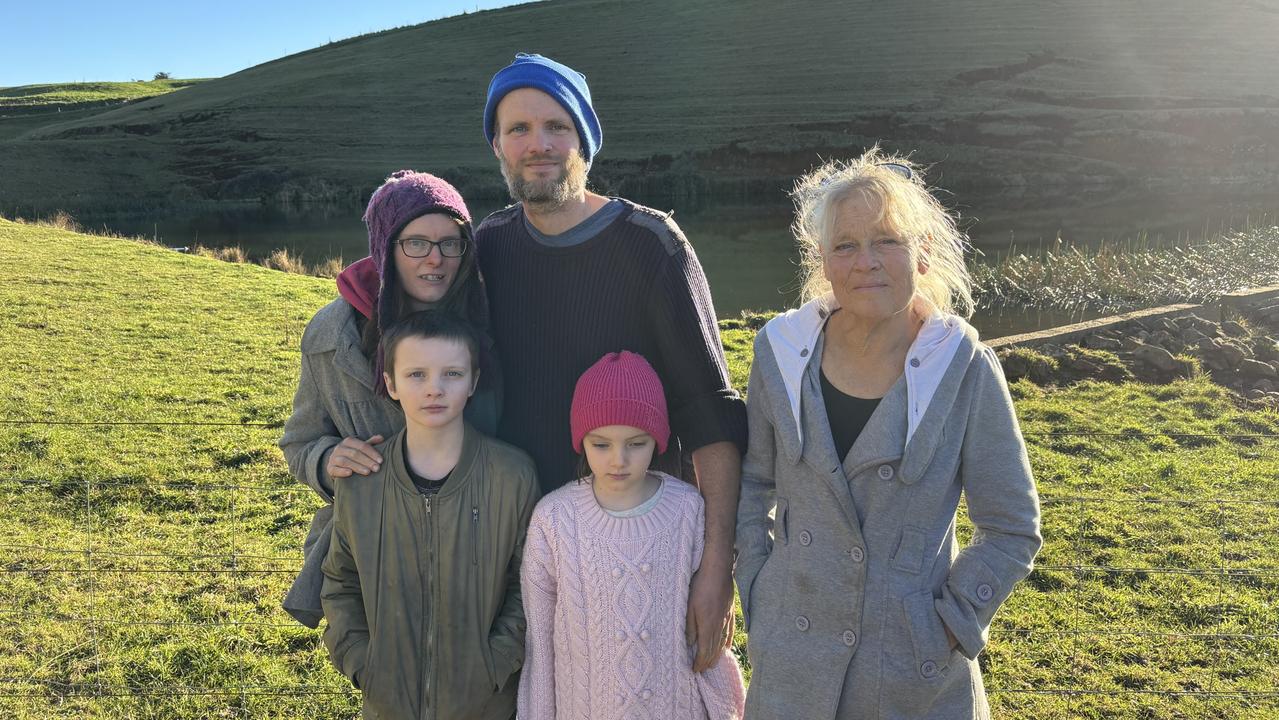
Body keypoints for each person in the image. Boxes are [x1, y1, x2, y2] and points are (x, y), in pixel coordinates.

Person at [734, 148, 1042, 719]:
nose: (866, 262)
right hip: (791, 670)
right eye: (846, 246)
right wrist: (759, 590)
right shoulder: (778, 356)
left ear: (923, 253)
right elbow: (753, 485)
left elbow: (1011, 527)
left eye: (888, 241)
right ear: (822, 262)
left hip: (911, 679)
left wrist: (948, 626)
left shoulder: (965, 368)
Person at [477, 52, 746, 671]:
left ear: (586, 140)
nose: (537, 144)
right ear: (496, 144)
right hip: (523, 548)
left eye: (556, 126)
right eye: (518, 128)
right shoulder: (488, 247)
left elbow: (711, 413)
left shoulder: (651, 244)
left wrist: (715, 564)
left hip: (640, 548)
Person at [279, 170, 498, 628]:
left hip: (477, 550)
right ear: (385, 245)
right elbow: (300, 443)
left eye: (450, 242)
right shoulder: (331, 334)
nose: (434, 259)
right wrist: (327, 460)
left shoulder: (492, 319)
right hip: (372, 555)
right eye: (416, 243)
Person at [321, 310, 539, 719]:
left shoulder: (513, 476)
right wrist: (364, 665)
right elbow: (340, 581)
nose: (434, 389)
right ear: (391, 383)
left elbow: (529, 582)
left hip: (485, 704)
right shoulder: (362, 480)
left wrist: (493, 664)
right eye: (417, 374)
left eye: (452, 374)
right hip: (387, 703)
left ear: (474, 381)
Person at [518, 351, 745, 720]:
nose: (618, 460)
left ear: (658, 439)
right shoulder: (554, 520)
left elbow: (709, 645)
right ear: (581, 441)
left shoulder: (688, 510)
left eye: (636, 443)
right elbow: (540, 647)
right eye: (601, 444)